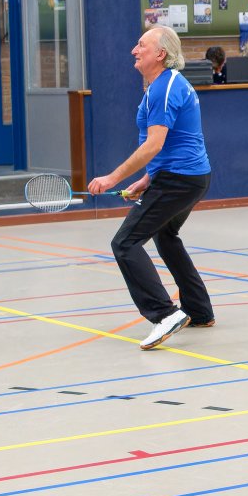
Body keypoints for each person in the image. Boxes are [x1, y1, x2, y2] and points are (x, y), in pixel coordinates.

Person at [89, 26, 215, 350]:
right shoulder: (161, 85)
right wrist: (146, 180)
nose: (134, 50)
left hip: (179, 179)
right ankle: (199, 310)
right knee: (165, 236)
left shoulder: (164, 88)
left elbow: (154, 145)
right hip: (187, 177)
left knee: (125, 243)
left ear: (160, 53)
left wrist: (112, 178)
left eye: (141, 45)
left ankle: (165, 314)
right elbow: (172, 142)